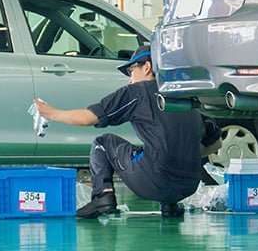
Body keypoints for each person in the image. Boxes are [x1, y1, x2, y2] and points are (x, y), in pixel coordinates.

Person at [33, 45, 221, 218]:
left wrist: (52, 113)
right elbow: (215, 143)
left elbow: (89, 117)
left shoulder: (137, 92)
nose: (130, 79)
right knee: (156, 147)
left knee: (103, 143)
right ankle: (170, 205)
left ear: (146, 67)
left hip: (153, 182)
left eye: (131, 71)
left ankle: (102, 198)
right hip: (188, 185)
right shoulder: (186, 94)